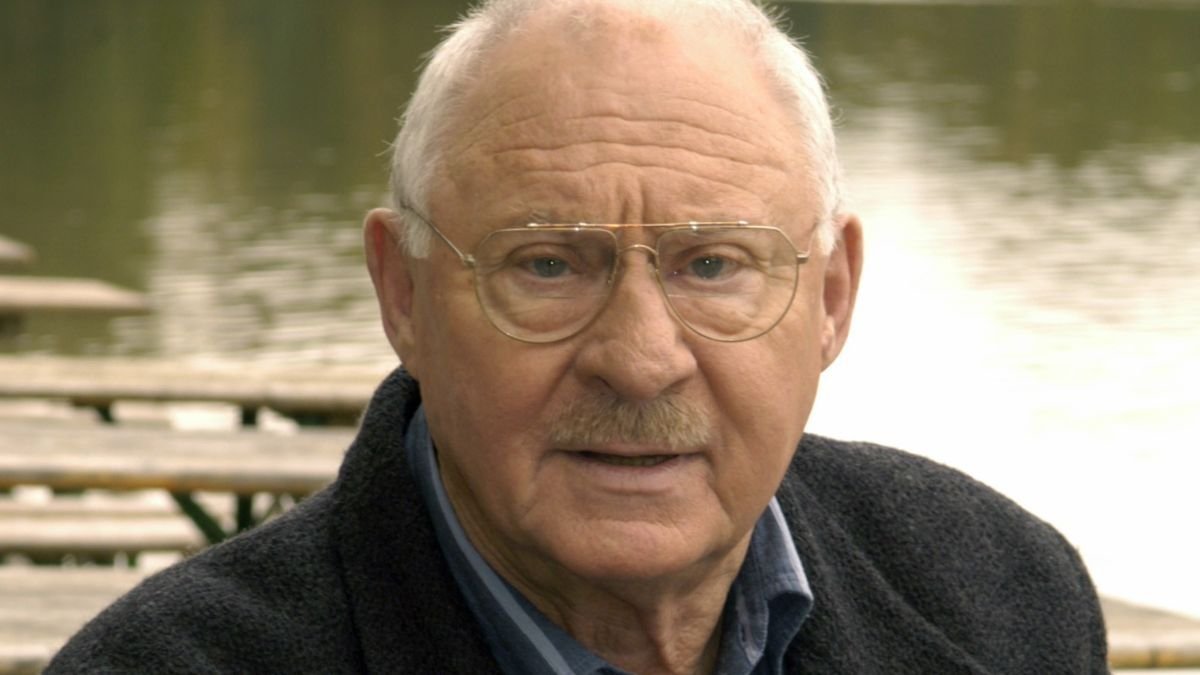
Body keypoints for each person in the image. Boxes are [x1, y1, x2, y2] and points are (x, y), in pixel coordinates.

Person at [48, 0, 1108, 672]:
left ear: (831, 297)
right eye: (547, 265)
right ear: (403, 293)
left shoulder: (1008, 597)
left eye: (713, 265)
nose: (641, 359)